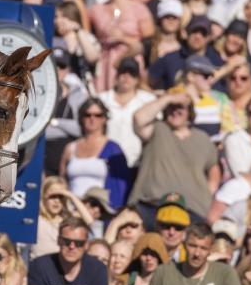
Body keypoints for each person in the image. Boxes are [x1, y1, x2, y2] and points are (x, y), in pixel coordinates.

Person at [131, 93, 221, 225]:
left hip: (192, 211)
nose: (175, 111)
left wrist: (205, 194)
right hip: (151, 206)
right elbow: (139, 118)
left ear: (189, 112)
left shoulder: (202, 138)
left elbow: (214, 171)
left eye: (180, 107)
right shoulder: (157, 129)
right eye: (171, 107)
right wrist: (168, 98)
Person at [89, 0, 154, 91]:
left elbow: (149, 43)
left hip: (131, 59)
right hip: (106, 63)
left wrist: (123, 38)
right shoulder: (97, 9)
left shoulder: (139, 8)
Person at [60, 98, 131, 211]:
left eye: (98, 115)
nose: (92, 119)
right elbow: (62, 182)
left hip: (99, 211)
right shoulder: (70, 148)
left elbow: (120, 187)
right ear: (81, 118)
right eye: (87, 115)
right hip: (72, 210)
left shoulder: (113, 149)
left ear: (105, 119)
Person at [99, 57, 155, 168]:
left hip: (137, 163)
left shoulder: (148, 100)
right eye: (123, 72)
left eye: (132, 74)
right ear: (116, 75)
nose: (126, 77)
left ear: (138, 79)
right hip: (106, 162)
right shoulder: (102, 99)